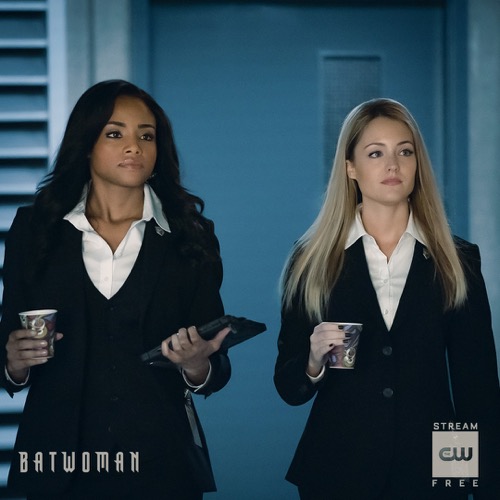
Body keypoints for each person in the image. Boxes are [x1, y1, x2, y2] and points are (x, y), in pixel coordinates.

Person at [0, 79, 231, 500]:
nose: (133, 147)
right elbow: (7, 346)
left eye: (146, 136)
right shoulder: (33, 230)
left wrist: (198, 366)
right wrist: (13, 363)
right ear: (87, 144)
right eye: (114, 133)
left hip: (162, 463)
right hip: (58, 463)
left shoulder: (191, 236)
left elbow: (215, 362)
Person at [274, 98, 500, 499]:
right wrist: (312, 362)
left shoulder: (458, 260)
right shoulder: (310, 260)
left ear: (417, 164)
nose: (393, 165)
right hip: (336, 473)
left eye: (405, 152)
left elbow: (476, 391)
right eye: (376, 153)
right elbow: (289, 388)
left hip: (429, 476)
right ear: (351, 168)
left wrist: (464, 483)